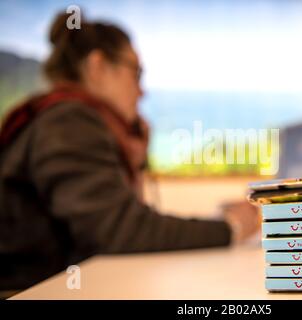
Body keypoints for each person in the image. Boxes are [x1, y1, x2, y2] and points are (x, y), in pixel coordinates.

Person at [0, 12, 260, 291]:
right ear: (97, 66)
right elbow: (119, 231)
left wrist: (132, 161)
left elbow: (113, 224)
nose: (142, 91)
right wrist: (231, 227)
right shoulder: (69, 121)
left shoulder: (58, 117)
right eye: (136, 73)